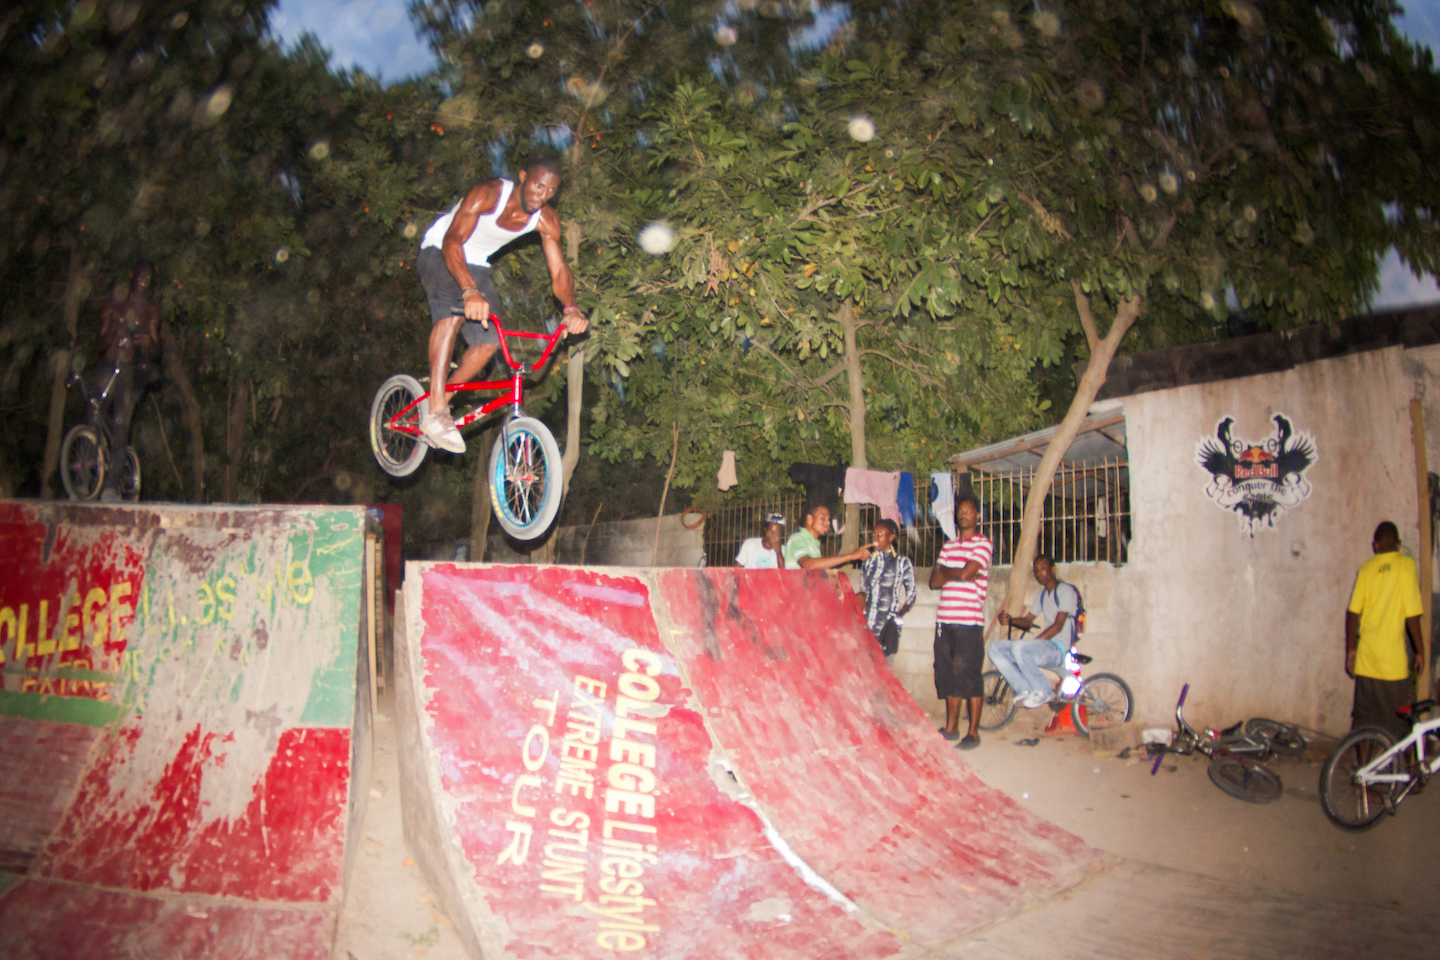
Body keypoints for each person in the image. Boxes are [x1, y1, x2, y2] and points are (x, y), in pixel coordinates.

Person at [416, 154, 589, 453]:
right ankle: (437, 412)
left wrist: (571, 307)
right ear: (523, 177)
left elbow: (559, 271)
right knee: (453, 316)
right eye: (537, 186)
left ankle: (439, 400)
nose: (541, 196)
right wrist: (469, 291)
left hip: (478, 265)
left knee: (489, 342)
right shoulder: (489, 193)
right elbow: (453, 239)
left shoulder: (546, 219)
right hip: (440, 250)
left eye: (550, 191)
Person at [1345, 521, 1424, 741]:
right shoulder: (1406, 566)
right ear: (1399, 545)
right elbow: (1412, 617)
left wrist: (1352, 650)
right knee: (1398, 723)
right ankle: (1393, 769)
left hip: (1367, 660)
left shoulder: (1367, 568)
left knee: (1363, 721)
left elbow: (1352, 613)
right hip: (1393, 665)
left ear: (1376, 545)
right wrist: (1420, 650)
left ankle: (1362, 770)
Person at [94, 261, 161, 501]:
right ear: (132, 276)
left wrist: (147, 344)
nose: (144, 281)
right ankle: (85, 478)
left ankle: (111, 486)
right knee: (94, 414)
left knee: (121, 427)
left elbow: (155, 348)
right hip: (108, 366)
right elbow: (99, 341)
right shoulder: (114, 304)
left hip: (130, 370)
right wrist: (112, 335)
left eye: (148, 278)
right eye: (141, 276)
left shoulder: (150, 311)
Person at [929, 495, 991, 749]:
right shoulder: (949, 546)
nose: (964, 514)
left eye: (969, 511)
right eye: (961, 511)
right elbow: (933, 582)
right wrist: (958, 574)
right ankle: (951, 728)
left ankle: (973, 733)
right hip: (945, 621)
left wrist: (947, 572)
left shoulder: (984, 544)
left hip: (969, 623)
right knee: (947, 676)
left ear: (977, 516)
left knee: (970, 677)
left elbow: (968, 572)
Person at [994, 554, 1079, 708]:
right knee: (995, 648)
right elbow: (1027, 621)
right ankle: (1024, 689)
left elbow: (1058, 625)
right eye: (1036, 570)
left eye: (1042, 569)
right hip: (1045, 648)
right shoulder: (1041, 595)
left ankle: (1044, 691)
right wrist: (1010, 620)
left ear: (1052, 570)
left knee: (1020, 647)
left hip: (1058, 649)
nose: (1038, 573)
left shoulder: (1065, 591)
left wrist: (1034, 644)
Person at [858, 519, 916, 665]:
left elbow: (912, 594)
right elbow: (864, 589)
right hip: (868, 625)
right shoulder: (868, 563)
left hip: (887, 628)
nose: (875, 538)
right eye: (873, 535)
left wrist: (899, 615)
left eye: (880, 534)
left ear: (891, 537)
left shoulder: (902, 563)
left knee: (885, 671)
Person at [783, 504, 872, 570]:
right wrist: (849, 556)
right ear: (810, 519)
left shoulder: (814, 543)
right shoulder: (798, 538)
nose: (828, 523)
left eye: (829, 519)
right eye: (823, 518)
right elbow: (807, 564)